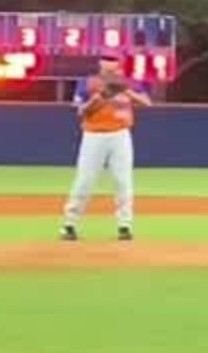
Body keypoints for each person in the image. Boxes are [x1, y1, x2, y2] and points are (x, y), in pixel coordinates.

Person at [61, 55, 152, 242]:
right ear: (100, 64)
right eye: (106, 60)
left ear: (118, 64)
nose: (109, 63)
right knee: (85, 179)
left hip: (121, 134)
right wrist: (101, 96)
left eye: (113, 60)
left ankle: (124, 225)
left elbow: (147, 103)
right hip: (94, 135)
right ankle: (70, 224)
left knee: (123, 180)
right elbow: (80, 110)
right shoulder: (88, 82)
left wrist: (126, 91)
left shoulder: (129, 82)